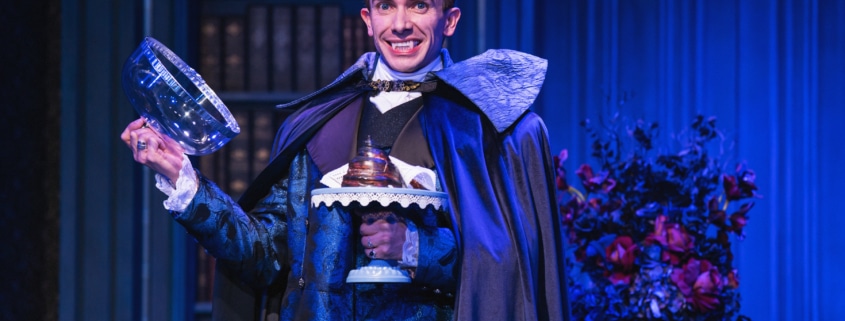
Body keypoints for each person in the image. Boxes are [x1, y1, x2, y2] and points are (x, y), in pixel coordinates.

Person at [122, 0, 570, 319]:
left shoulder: (489, 129)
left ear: (449, 19)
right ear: (368, 19)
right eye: (386, 6)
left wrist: (415, 247)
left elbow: (509, 273)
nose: (400, 24)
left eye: (418, 6)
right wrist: (181, 176)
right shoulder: (318, 122)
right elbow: (265, 258)